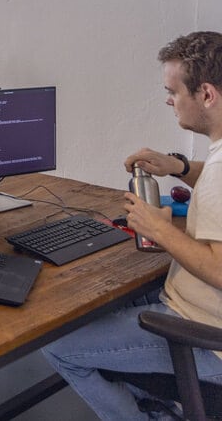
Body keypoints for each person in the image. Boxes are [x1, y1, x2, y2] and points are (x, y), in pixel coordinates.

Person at [43, 31, 222, 419]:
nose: (169, 100)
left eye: (173, 91)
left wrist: (158, 229)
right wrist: (178, 167)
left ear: (207, 94)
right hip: (191, 305)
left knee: (58, 348)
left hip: (205, 338)